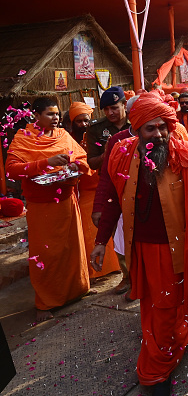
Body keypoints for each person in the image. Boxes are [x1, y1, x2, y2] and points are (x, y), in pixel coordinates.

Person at [90, 92, 188, 396]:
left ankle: (158, 372)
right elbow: (113, 200)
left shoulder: (183, 156)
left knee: (166, 309)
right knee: (151, 307)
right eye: (150, 129)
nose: (159, 134)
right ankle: (161, 352)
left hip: (174, 250)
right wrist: (101, 241)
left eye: (163, 127)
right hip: (140, 248)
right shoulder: (121, 154)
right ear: (137, 131)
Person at [6, 98, 91, 322]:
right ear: (37, 115)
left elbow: (81, 157)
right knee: (47, 255)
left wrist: (74, 165)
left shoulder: (63, 135)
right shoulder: (23, 138)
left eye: (57, 114)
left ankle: (76, 290)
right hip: (41, 207)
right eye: (50, 114)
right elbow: (12, 170)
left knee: (71, 250)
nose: (55, 118)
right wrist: (46, 162)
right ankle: (45, 302)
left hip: (67, 201)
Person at [69, 102, 120, 281]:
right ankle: (93, 270)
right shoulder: (68, 139)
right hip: (84, 190)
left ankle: (113, 267)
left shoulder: (98, 133)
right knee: (89, 231)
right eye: (79, 121)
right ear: (72, 123)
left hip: (101, 186)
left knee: (108, 227)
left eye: (86, 120)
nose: (83, 124)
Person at [86, 86, 130, 170]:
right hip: (108, 175)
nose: (110, 113)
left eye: (114, 108)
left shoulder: (135, 124)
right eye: (106, 109)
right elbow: (92, 164)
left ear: (125, 105)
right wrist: (104, 156)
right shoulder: (96, 128)